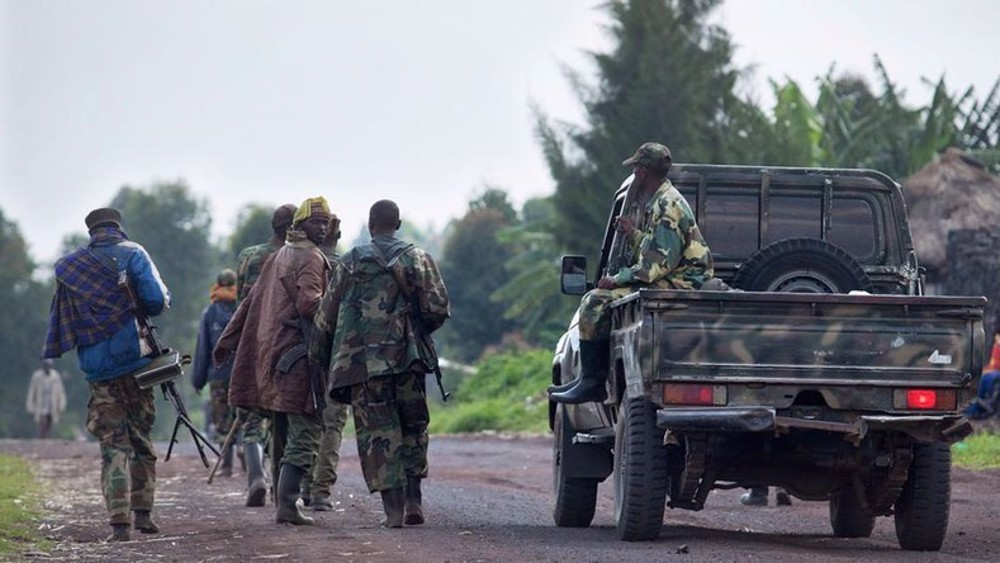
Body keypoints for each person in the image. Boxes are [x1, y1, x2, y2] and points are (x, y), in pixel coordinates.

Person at [310, 199, 450, 528]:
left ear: (371, 226)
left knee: (377, 434)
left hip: (363, 366)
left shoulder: (351, 262)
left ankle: (393, 511)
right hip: (408, 360)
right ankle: (415, 499)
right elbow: (438, 308)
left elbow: (326, 316)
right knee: (413, 427)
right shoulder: (418, 257)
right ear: (397, 224)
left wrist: (318, 357)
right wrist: (415, 330)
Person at [549, 142, 714, 404]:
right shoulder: (663, 199)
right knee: (600, 297)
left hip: (683, 283)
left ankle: (592, 383)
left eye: (637, 167)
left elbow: (653, 268)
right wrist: (633, 234)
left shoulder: (666, 206)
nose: (635, 172)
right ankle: (588, 380)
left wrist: (616, 278)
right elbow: (659, 247)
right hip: (678, 277)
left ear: (643, 173)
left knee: (595, 301)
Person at [42, 207, 170, 542]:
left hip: (98, 370)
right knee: (141, 438)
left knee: (113, 445)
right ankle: (143, 514)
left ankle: (118, 523)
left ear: (91, 232)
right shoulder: (134, 253)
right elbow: (156, 301)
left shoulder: (70, 268)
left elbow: (64, 317)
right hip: (137, 364)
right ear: (117, 227)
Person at [215, 197, 332, 526]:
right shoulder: (309, 257)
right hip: (298, 357)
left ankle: (284, 504)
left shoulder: (282, 253)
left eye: (326, 221)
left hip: (273, 357)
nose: (322, 227)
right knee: (307, 430)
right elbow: (311, 304)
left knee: (281, 427)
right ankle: (287, 503)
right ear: (300, 224)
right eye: (316, 221)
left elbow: (248, 301)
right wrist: (338, 311)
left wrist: (228, 339)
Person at [232, 202, 296, 507]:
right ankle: (281, 490)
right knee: (282, 419)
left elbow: (240, 303)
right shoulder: (297, 257)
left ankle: (256, 476)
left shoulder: (248, 256)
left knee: (251, 419)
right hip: (285, 346)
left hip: (251, 343)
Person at [305, 215, 350, 511]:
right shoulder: (347, 266)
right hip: (338, 356)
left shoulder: (300, 262)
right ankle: (320, 491)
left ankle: (300, 485)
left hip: (304, 354)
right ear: (339, 234)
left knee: (305, 421)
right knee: (333, 423)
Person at [191, 269, 239, 477]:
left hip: (218, 375)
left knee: (221, 420)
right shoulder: (243, 307)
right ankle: (250, 459)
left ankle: (227, 464)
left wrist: (198, 379)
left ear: (217, 285)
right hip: (241, 374)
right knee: (243, 414)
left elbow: (203, 349)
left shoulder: (210, 312)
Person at [25, 359, 67, 439]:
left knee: (49, 421)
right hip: (41, 401)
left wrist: (61, 404)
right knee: (42, 420)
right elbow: (32, 391)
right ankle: (42, 436)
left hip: (52, 402)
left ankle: (46, 437)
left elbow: (60, 391)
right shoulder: (37, 376)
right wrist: (30, 405)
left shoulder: (55, 376)